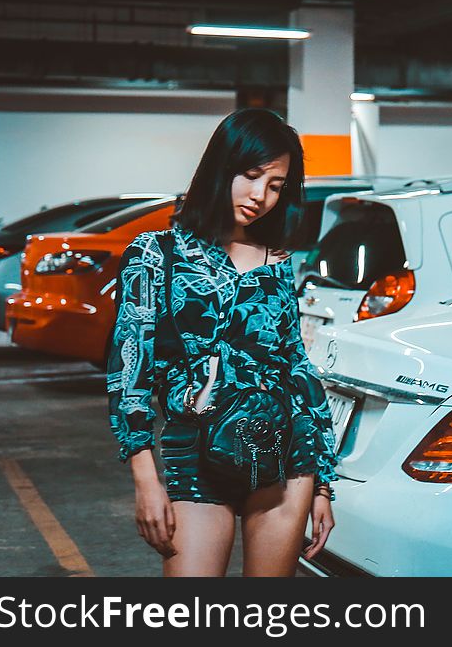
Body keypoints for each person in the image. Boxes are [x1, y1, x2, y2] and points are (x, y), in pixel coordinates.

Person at [107, 108, 337, 576]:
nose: (261, 196)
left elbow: (296, 370)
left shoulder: (277, 261)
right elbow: (129, 372)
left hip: (282, 460)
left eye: (276, 186)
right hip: (193, 455)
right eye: (251, 176)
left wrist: (322, 485)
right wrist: (145, 480)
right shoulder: (155, 254)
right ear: (220, 166)